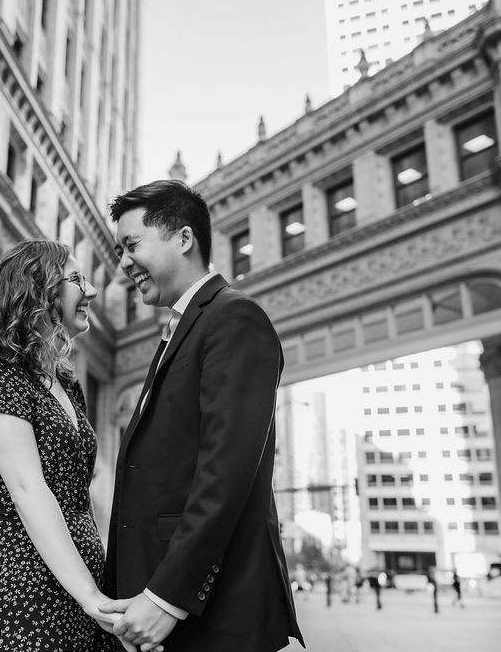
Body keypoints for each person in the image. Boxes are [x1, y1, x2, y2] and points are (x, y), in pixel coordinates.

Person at [100, 180, 305, 651]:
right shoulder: (181, 329)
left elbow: (226, 474)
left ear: (184, 238)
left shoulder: (235, 318)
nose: (123, 263)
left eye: (131, 245)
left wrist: (166, 597)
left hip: (211, 616)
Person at [0, 240, 130, 651]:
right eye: (76, 279)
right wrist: (91, 598)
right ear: (38, 289)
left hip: (81, 584)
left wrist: (92, 592)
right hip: (21, 592)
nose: (91, 291)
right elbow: (28, 489)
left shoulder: (65, 381)